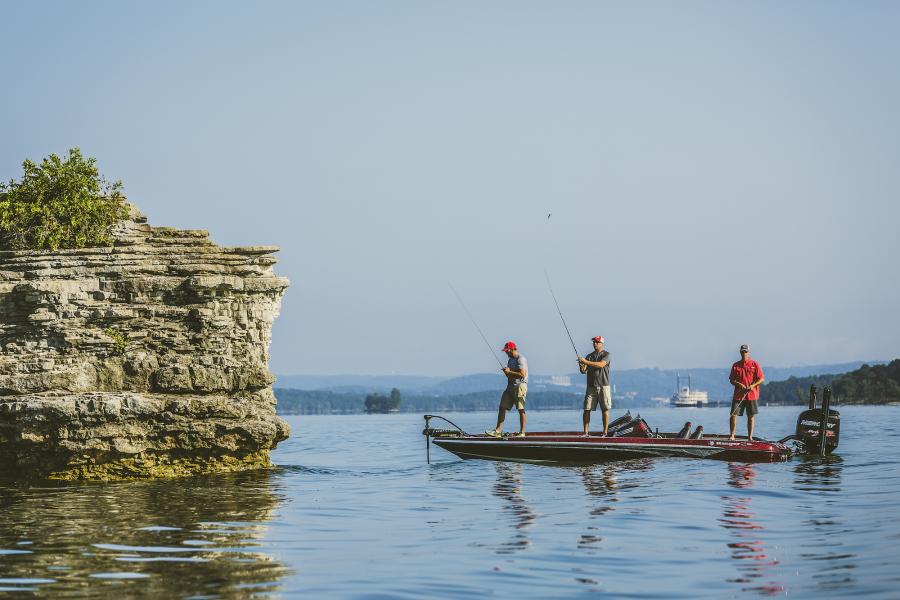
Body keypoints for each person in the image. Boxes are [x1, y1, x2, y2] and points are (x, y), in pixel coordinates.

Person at [486, 341, 528, 437]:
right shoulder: (510, 360)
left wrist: (510, 371)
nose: (505, 352)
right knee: (502, 407)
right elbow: (510, 375)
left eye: (506, 350)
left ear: (512, 349)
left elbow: (522, 375)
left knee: (520, 409)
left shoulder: (520, 359)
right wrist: (507, 373)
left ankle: (522, 433)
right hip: (510, 386)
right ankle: (498, 431)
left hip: (520, 386)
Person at [729, 344, 765, 440]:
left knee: (751, 416)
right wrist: (740, 385)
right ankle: (732, 435)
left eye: (746, 351)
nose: (744, 353)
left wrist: (752, 386)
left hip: (752, 395)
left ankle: (750, 437)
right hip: (738, 395)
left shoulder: (755, 364)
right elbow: (731, 380)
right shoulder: (735, 365)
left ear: (748, 352)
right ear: (740, 352)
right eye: (742, 351)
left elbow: (761, 379)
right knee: (733, 415)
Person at [577, 336, 611, 436]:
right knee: (586, 409)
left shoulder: (607, 354)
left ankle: (605, 432)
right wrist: (581, 365)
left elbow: (601, 365)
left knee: (605, 409)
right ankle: (586, 433)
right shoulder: (589, 356)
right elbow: (583, 371)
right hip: (591, 386)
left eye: (597, 342)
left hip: (604, 386)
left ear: (601, 343)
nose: (594, 344)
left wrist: (586, 362)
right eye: (594, 342)